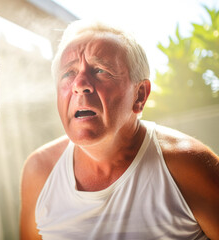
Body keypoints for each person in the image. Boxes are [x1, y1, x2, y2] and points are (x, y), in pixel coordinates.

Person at [20, 19, 219, 240]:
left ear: (140, 94)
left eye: (100, 70)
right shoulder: (39, 171)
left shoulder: (189, 165)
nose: (79, 84)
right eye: (68, 73)